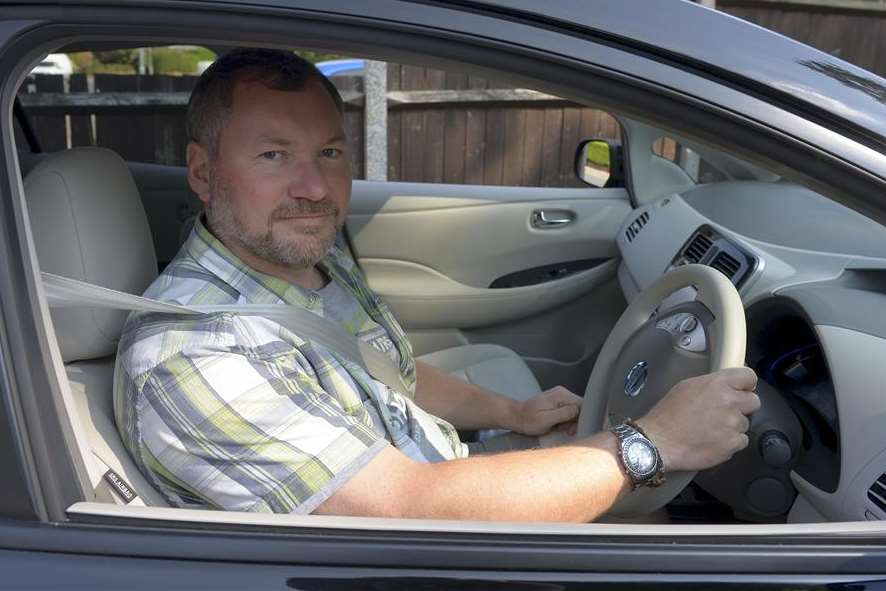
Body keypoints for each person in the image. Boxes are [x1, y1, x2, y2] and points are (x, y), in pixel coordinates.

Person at [114, 48, 760, 522]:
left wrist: (512, 415)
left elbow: (388, 372)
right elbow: (408, 510)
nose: (314, 189)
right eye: (274, 155)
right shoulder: (189, 355)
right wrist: (651, 444)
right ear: (202, 173)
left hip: (431, 476)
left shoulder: (301, 263)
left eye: (330, 153)